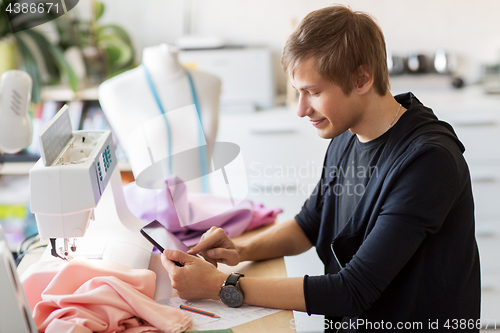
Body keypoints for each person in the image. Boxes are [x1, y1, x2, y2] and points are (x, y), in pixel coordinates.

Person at [161, 5, 480, 332]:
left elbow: (354, 290)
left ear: (362, 78)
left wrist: (220, 285)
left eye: (313, 92)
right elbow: (308, 226)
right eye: (299, 92)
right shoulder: (347, 135)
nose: (301, 109)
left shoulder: (428, 161)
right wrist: (238, 249)